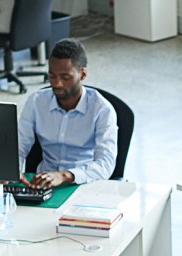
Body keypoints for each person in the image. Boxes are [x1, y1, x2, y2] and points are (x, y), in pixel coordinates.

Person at [18, 38, 118, 189]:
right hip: (41, 184)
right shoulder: (36, 102)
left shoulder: (102, 110)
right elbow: (18, 145)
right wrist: (13, 168)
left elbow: (105, 164)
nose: (57, 83)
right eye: (52, 76)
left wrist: (65, 175)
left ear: (82, 75)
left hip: (84, 183)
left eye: (65, 77)